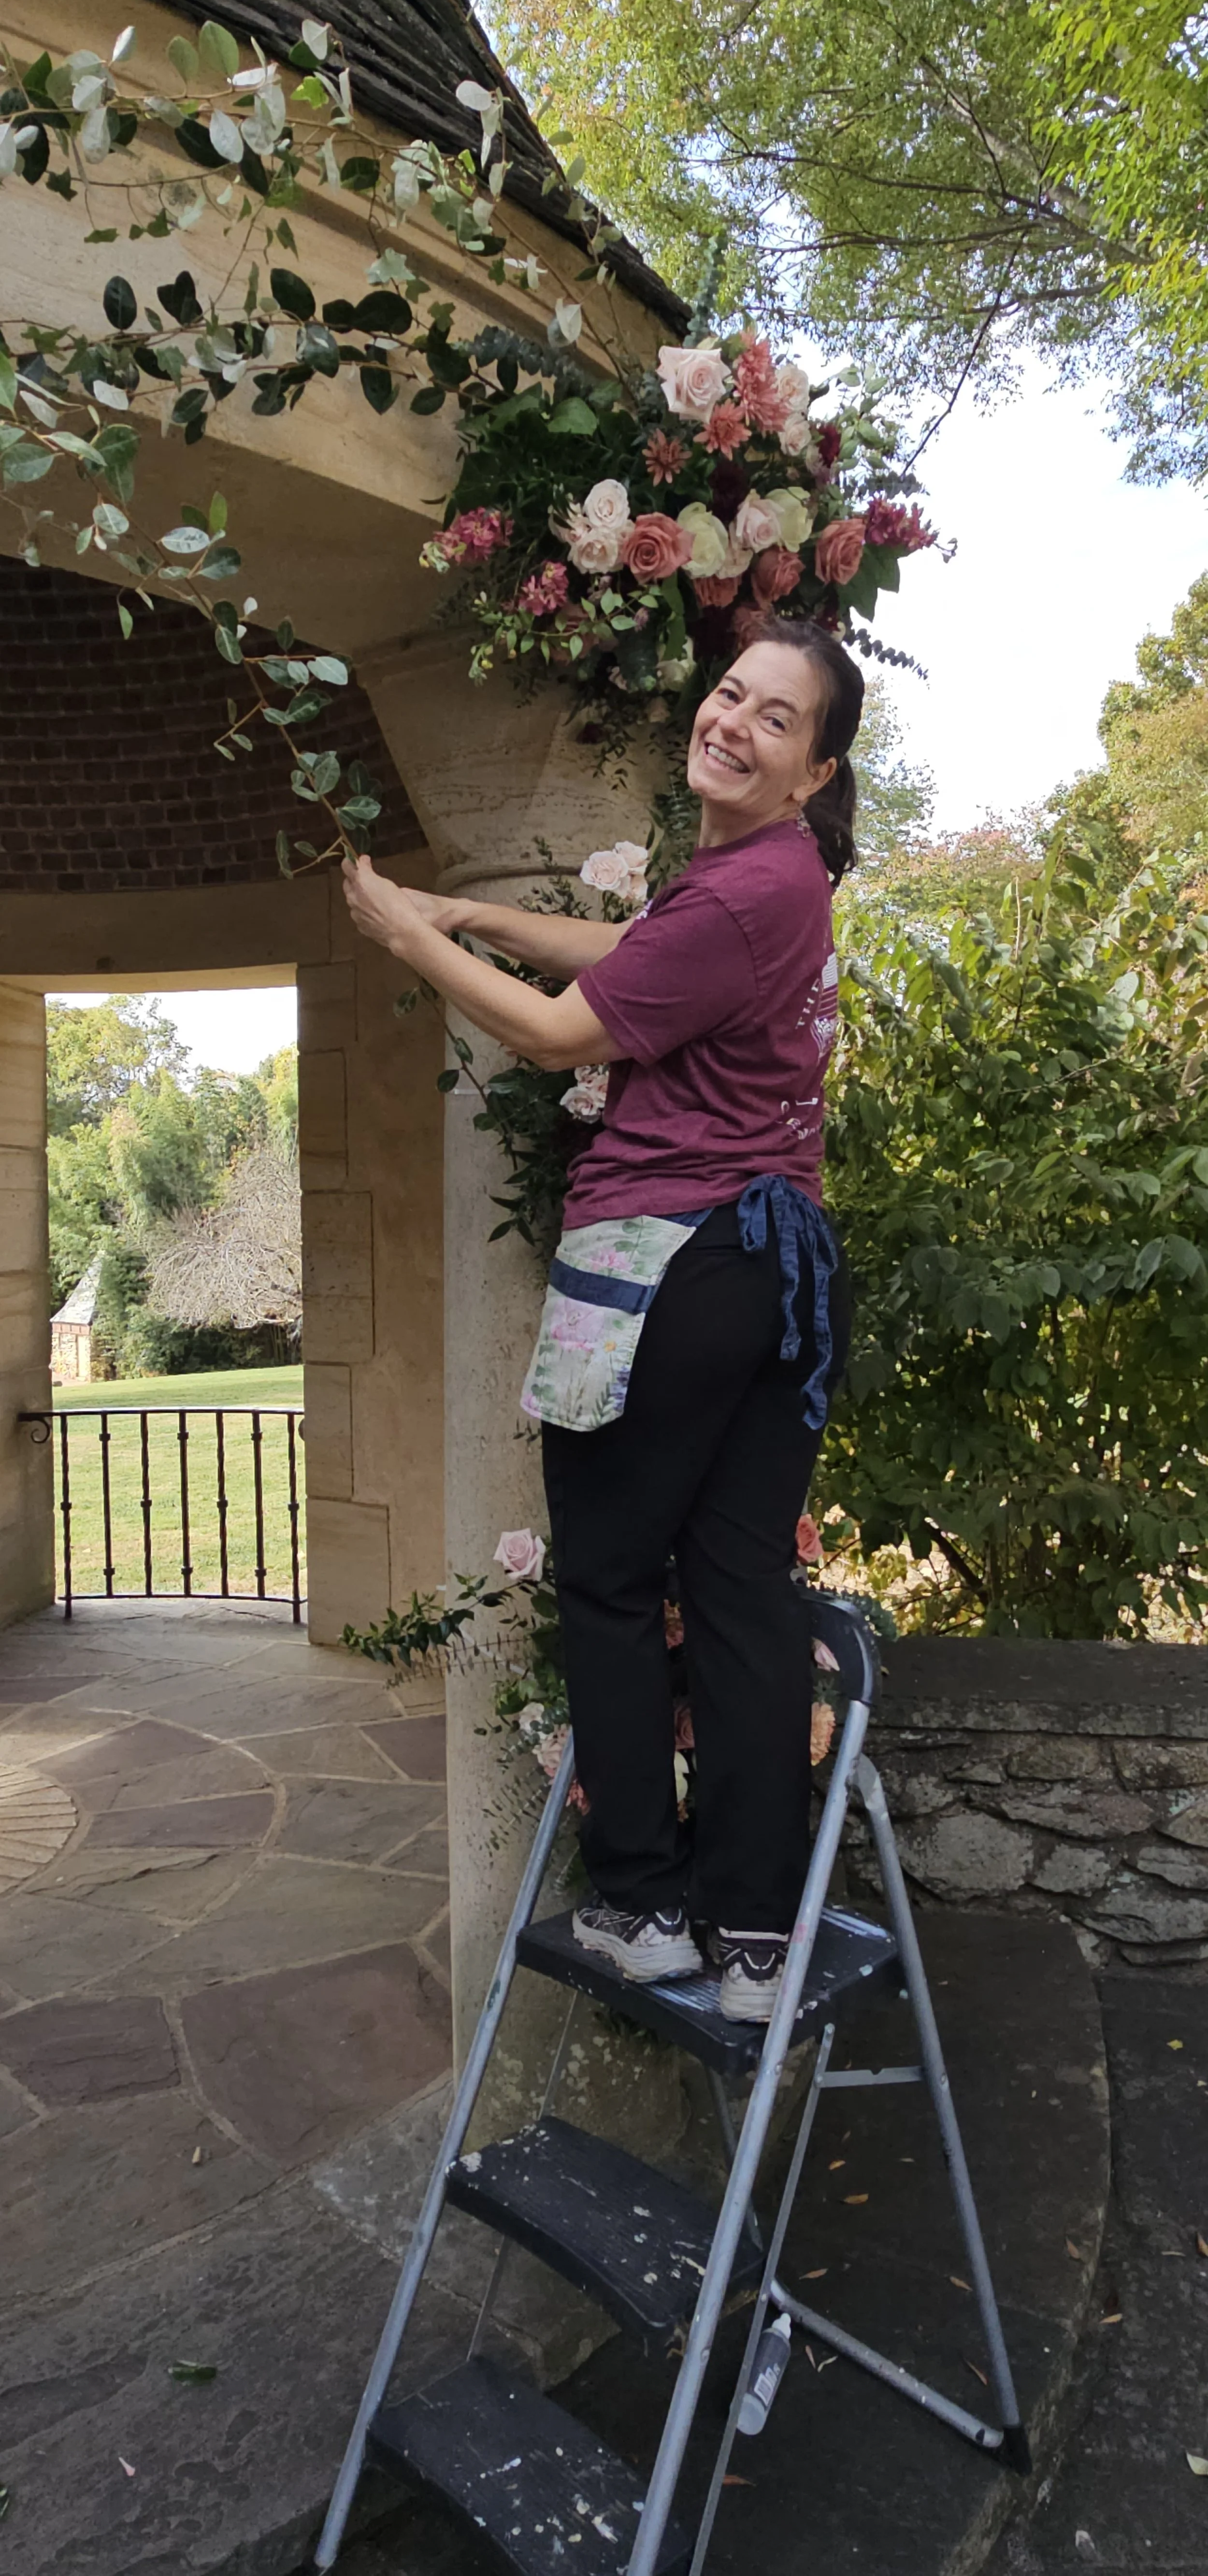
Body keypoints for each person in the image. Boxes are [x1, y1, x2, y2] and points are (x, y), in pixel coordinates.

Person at [343, 613, 861, 2021]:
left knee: (615, 1587)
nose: (732, 722)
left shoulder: (751, 882)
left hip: (663, 1263)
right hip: (768, 1266)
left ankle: (643, 1905)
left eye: (773, 719)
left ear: (812, 770)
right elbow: (635, 954)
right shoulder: (769, 876)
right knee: (744, 1593)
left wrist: (403, 932)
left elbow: (565, 1032)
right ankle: (758, 1939)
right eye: (729, 693)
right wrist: (477, 913)